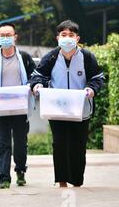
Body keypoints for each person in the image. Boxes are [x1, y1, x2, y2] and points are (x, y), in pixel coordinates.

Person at [30, 20, 104, 187]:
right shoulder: (51, 56)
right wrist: (37, 85)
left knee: (78, 144)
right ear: (58, 38)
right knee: (60, 144)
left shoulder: (87, 57)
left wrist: (92, 89)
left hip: (81, 109)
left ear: (77, 38)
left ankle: (77, 179)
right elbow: (37, 75)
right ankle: (62, 180)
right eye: (64, 35)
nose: (67, 38)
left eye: (71, 35)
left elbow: (97, 78)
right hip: (57, 108)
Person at [0, 22, 36, 189]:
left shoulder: (25, 58)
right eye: (2, 35)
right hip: (1, 109)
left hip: (20, 108)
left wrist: (33, 87)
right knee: (4, 144)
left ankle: (21, 171)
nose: (5, 38)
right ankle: (4, 178)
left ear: (15, 37)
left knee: (21, 143)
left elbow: (35, 77)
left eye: (9, 35)